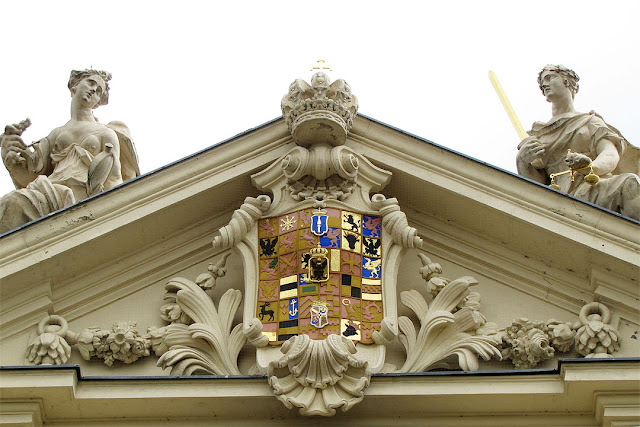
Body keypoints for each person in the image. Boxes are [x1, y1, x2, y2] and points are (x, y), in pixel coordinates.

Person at [0, 69, 139, 233]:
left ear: (97, 102)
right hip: (50, 191)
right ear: (74, 87)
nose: (94, 90)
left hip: (83, 195)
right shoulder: (56, 134)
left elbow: (114, 180)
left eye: (99, 90)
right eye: (91, 83)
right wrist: (8, 153)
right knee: (11, 203)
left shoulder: (105, 133)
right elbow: (30, 176)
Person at [516, 64, 640, 220]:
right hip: (556, 197)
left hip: (592, 188)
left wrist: (590, 167)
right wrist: (523, 160)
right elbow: (537, 183)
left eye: (549, 78)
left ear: (567, 82)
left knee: (629, 184)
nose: (544, 85)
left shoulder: (589, 122)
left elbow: (610, 153)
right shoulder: (539, 134)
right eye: (542, 82)